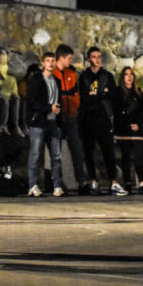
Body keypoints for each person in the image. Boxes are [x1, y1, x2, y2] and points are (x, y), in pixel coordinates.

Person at [78, 47, 127, 196]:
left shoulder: (107, 76)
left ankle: (114, 182)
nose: (97, 59)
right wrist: (101, 94)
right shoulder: (84, 77)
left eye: (99, 56)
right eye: (94, 57)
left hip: (103, 118)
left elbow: (112, 95)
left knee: (108, 151)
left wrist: (96, 95)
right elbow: (84, 97)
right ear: (88, 59)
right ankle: (93, 181)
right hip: (87, 119)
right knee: (89, 152)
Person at [53, 44, 89, 195]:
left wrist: (75, 106)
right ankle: (58, 182)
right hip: (57, 118)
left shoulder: (71, 73)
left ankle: (82, 181)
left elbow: (75, 92)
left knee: (76, 150)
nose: (71, 61)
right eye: (69, 58)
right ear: (61, 58)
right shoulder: (52, 73)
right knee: (56, 152)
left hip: (71, 116)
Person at [26, 52, 63, 197]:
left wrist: (58, 111)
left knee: (56, 155)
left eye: (53, 61)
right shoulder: (36, 80)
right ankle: (33, 185)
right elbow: (32, 101)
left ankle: (57, 186)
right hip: (38, 121)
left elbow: (59, 99)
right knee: (35, 154)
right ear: (43, 63)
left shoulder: (57, 81)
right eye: (48, 60)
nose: (51, 63)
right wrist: (49, 108)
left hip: (53, 121)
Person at [113, 67, 143, 194]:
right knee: (125, 157)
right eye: (126, 74)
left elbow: (142, 111)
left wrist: (137, 124)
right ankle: (127, 183)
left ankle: (142, 183)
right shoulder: (117, 92)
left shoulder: (138, 92)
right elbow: (117, 110)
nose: (129, 77)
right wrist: (128, 124)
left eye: (131, 74)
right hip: (123, 130)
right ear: (122, 77)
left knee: (138, 156)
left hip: (136, 131)